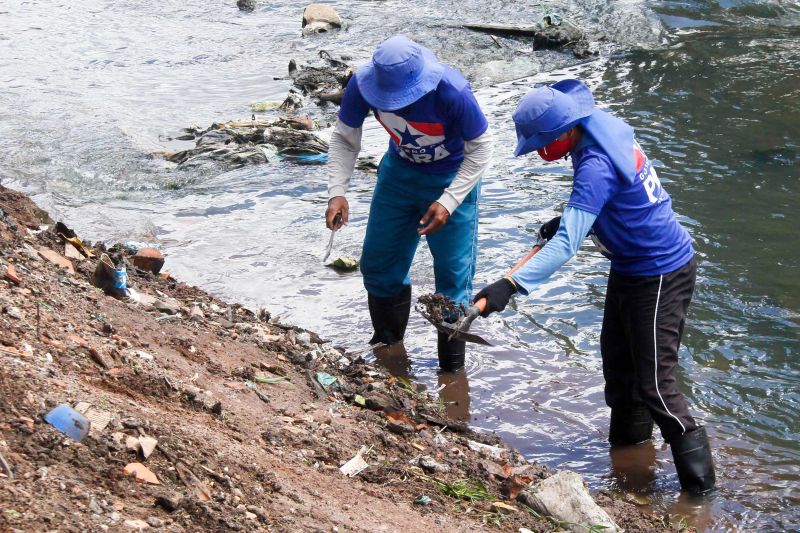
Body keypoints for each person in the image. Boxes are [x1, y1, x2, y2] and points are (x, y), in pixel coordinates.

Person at [473, 79, 715, 494]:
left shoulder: (595, 165)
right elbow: (618, 199)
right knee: (619, 369)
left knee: (656, 385)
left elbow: (568, 242)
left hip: (660, 272)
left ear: (564, 132)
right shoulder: (599, 127)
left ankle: (701, 494)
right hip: (631, 265)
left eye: (543, 143)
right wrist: (578, 218)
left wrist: (510, 285)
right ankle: (630, 461)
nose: (542, 153)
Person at [325, 35, 493, 371]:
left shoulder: (452, 92)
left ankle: (451, 376)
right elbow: (344, 138)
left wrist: (448, 201)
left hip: (452, 180)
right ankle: (389, 355)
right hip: (399, 178)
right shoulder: (361, 85)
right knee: (379, 263)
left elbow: (482, 148)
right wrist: (337, 191)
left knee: (451, 281)